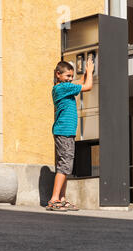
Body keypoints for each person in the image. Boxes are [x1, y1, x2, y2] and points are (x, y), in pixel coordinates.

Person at [46, 58, 94, 211]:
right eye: (67, 76)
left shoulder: (63, 87)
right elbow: (87, 86)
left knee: (66, 167)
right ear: (58, 74)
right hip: (64, 132)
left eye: (71, 76)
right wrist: (91, 73)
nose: (70, 79)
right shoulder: (62, 88)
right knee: (64, 166)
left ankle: (62, 199)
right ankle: (54, 199)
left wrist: (86, 72)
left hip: (66, 132)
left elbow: (79, 81)